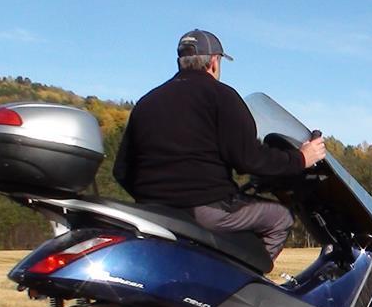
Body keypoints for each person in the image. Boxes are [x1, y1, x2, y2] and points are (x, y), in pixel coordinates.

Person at [114, 29, 326, 260]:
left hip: (153, 212)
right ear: (214, 62)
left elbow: (122, 171)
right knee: (279, 218)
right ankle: (242, 286)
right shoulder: (220, 96)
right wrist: (301, 158)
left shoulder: (146, 103)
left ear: (180, 62)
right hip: (205, 209)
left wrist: (156, 199)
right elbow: (249, 158)